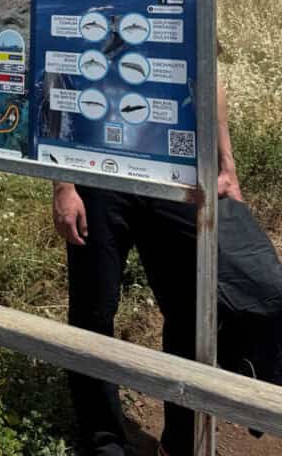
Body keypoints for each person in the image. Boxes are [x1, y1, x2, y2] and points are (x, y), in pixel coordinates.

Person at [52, 80, 244, 456]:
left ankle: (181, 441)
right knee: (93, 314)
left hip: (173, 171)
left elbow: (210, 77)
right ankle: (104, 442)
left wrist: (227, 163)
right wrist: (63, 184)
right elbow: (59, 77)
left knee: (190, 310)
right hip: (95, 170)